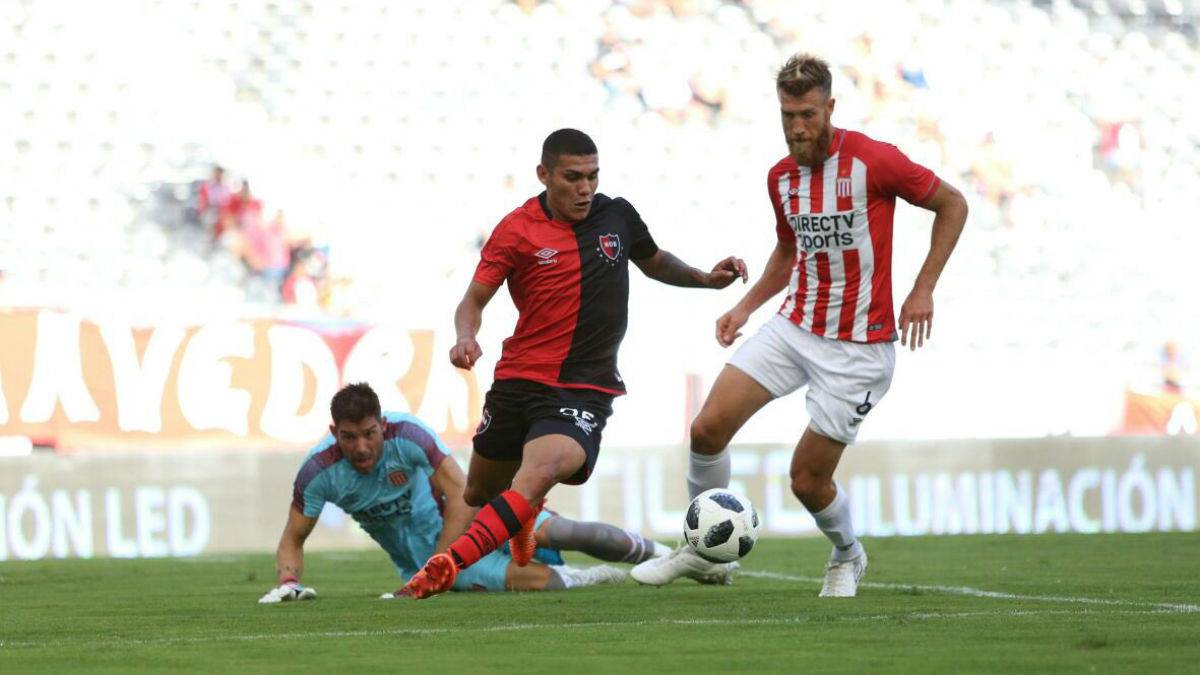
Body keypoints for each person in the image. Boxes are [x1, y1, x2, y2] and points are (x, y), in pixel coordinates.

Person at [631, 54, 968, 597]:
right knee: (706, 428)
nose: (797, 127)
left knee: (807, 480)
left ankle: (847, 553)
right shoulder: (781, 178)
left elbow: (953, 203)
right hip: (795, 327)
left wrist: (923, 287)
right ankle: (703, 554)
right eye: (787, 115)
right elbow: (789, 253)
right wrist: (745, 309)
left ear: (830, 107)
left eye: (808, 114)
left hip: (858, 348)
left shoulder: (874, 161)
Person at [399, 128, 748, 599]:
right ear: (544, 175)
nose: (585, 188)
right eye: (572, 177)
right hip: (518, 379)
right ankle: (522, 517)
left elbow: (655, 261)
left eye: (592, 176)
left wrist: (706, 279)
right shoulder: (517, 229)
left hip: (584, 386)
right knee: (481, 494)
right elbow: (473, 300)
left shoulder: (617, 216)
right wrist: (466, 336)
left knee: (542, 469)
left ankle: (445, 565)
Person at [258, 383, 667, 603]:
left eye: (369, 434)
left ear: (382, 424)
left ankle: (668, 557)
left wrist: (443, 559)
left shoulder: (410, 435)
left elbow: (464, 495)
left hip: (467, 529)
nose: (362, 448)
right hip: (436, 564)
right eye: (349, 438)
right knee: (548, 585)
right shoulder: (318, 472)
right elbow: (293, 538)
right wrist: (289, 582)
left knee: (569, 533)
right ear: (334, 434)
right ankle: (594, 578)